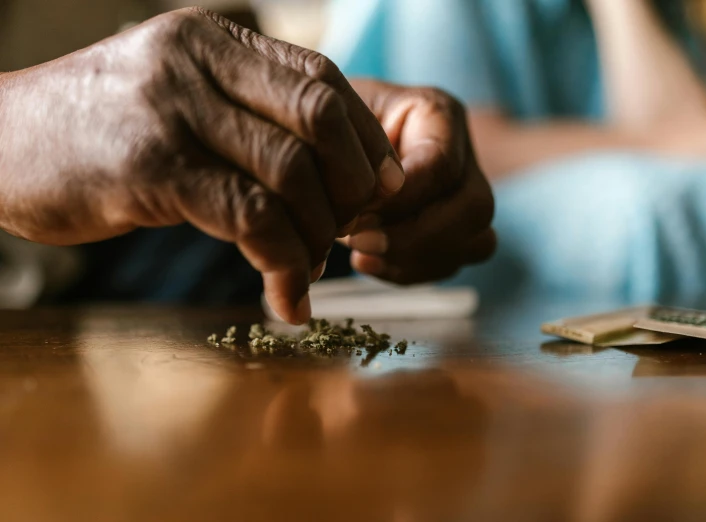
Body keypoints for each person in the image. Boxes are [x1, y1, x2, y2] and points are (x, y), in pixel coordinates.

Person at [0, 7, 496, 323]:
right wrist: (19, 120)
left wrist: (292, 110)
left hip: (97, 254)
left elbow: (192, 29)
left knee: (374, 216)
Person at [322, 0, 706, 306]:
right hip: (450, 221)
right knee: (652, 205)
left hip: (575, 210)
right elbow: (470, 152)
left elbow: (682, 131)